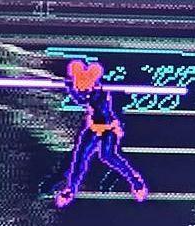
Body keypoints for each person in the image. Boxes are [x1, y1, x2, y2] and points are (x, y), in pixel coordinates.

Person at [54, 60, 149, 208]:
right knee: (80, 157)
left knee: (108, 155)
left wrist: (71, 88)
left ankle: (136, 183)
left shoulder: (100, 93)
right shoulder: (86, 91)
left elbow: (91, 103)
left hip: (108, 127)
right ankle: (70, 189)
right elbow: (82, 99)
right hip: (94, 127)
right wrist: (70, 87)